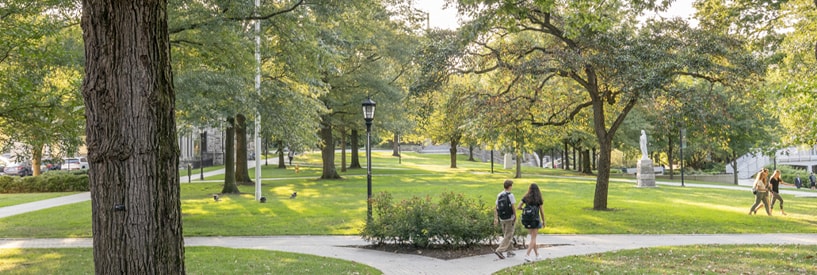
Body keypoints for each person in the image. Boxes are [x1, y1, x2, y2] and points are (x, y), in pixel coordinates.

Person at [517, 183, 546, 262]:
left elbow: (518, 206)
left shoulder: (526, 197)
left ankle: (537, 255)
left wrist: (524, 209)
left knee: (533, 238)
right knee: (533, 238)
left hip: (527, 220)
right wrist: (544, 221)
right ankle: (527, 255)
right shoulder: (538, 199)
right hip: (535, 220)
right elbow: (542, 212)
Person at [493, 179, 516, 259]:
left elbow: (495, 208)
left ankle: (510, 251)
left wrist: (496, 218)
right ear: (510, 187)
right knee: (509, 235)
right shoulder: (510, 195)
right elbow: (513, 207)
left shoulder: (499, 195)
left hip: (502, 218)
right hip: (509, 218)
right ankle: (499, 250)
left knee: (506, 235)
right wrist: (515, 216)